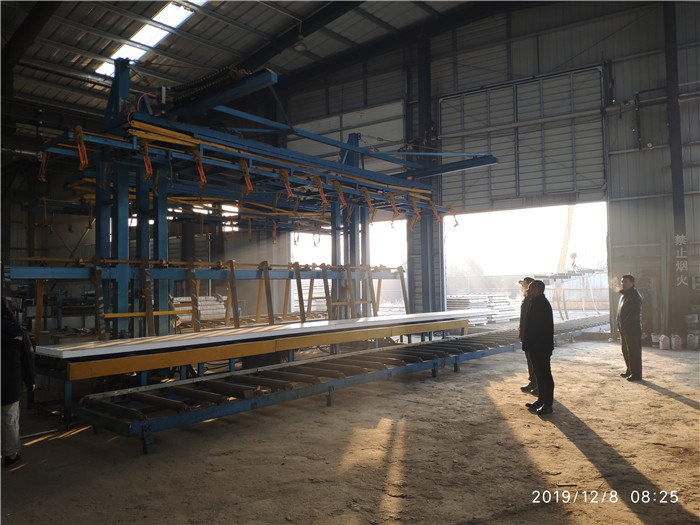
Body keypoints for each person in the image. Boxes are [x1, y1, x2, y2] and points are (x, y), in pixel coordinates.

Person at [2, 298, 35, 467]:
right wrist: (31, 382)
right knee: (9, 420)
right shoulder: (17, 332)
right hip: (9, 384)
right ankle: (10, 455)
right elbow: (27, 360)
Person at [521, 280, 555, 415]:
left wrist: (535, 345)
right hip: (535, 346)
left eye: (530, 289)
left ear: (536, 290)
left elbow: (542, 329)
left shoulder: (542, 304)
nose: (527, 291)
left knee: (545, 375)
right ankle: (541, 400)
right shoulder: (534, 302)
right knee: (539, 375)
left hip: (541, 346)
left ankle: (548, 404)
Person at [617, 274, 643, 381]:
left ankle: (636, 374)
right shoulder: (624, 295)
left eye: (625, 282)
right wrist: (620, 326)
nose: (623, 284)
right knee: (625, 351)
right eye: (622, 282)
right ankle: (630, 370)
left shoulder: (635, 296)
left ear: (632, 283)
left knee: (633, 352)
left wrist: (625, 325)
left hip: (632, 329)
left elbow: (633, 315)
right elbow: (620, 313)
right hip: (624, 329)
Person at [518, 277, 538, 396]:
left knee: (535, 362)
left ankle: (538, 385)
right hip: (526, 336)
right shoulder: (526, 300)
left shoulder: (533, 301)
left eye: (524, 286)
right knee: (530, 361)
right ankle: (533, 382)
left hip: (532, 337)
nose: (523, 289)